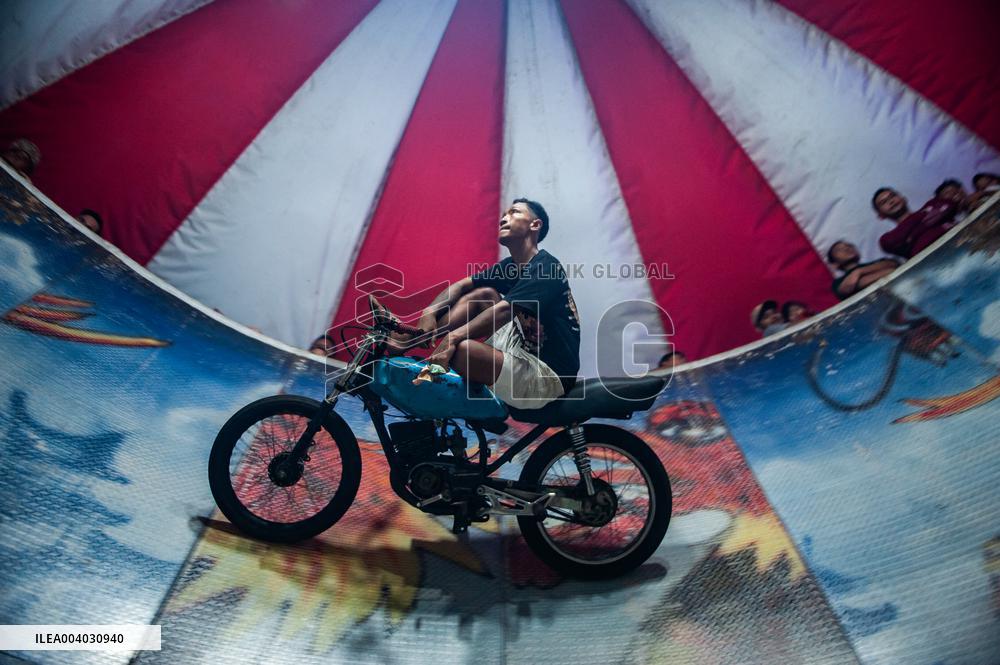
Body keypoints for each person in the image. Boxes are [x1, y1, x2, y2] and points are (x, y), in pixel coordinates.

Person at [386, 198, 580, 409]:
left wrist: (452, 338)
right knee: (483, 294)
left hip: (548, 375)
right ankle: (410, 340)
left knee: (463, 351)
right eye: (504, 214)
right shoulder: (511, 267)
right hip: (521, 347)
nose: (504, 218)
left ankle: (438, 377)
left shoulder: (547, 267)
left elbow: (505, 311)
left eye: (514, 212)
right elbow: (462, 286)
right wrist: (430, 311)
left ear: (535, 225)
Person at [872, 187, 958, 259]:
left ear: (904, 199)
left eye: (893, 196)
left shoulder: (934, 203)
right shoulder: (887, 239)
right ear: (881, 216)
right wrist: (927, 216)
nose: (891, 201)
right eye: (884, 202)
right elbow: (892, 242)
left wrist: (912, 236)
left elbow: (950, 204)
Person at [827, 241, 900, 300]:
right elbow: (846, 288)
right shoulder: (838, 282)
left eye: (849, 245)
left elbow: (893, 264)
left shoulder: (878, 262)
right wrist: (885, 271)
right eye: (838, 250)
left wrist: (859, 272)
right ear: (834, 264)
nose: (846, 248)